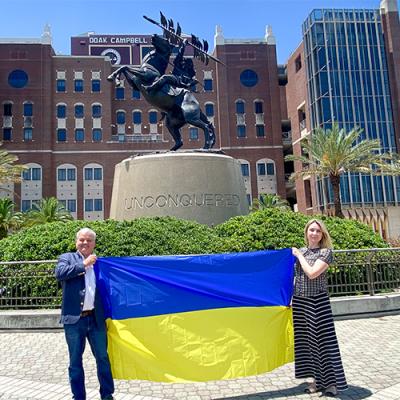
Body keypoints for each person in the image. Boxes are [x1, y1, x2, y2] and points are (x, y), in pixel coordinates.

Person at [55, 228, 114, 400]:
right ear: (76, 242)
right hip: (74, 320)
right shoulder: (67, 258)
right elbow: (60, 273)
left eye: (89, 240)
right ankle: (78, 397)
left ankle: (107, 395)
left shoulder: (100, 263)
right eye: (82, 240)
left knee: (103, 358)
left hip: (96, 320)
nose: (85, 243)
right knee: (75, 362)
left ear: (94, 243)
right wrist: (84, 264)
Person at [292, 219, 347, 397]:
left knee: (323, 342)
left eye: (318, 231)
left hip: (317, 302)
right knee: (307, 344)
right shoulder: (302, 251)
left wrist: (299, 257)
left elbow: (312, 273)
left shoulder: (325, 253)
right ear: (306, 232)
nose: (314, 233)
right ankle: (317, 381)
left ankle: (332, 384)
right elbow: (296, 276)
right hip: (300, 302)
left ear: (322, 234)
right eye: (311, 230)